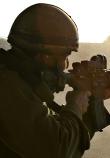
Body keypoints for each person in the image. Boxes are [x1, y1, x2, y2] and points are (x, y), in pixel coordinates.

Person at [0, 3, 95, 158]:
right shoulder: (7, 85)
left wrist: (93, 101)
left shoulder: (16, 80)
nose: (65, 66)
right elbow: (58, 149)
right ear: (45, 56)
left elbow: (72, 147)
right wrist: (76, 105)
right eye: (65, 56)